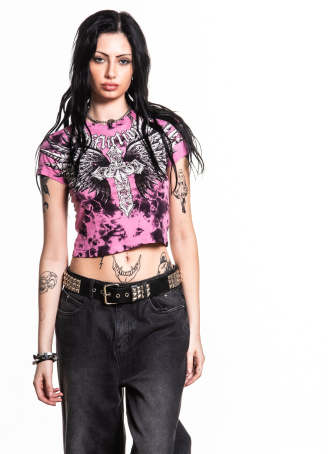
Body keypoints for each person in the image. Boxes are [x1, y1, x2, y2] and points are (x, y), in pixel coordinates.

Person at [32, 9, 205, 454]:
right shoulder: (60, 147)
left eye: (123, 60)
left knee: (157, 446)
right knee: (88, 447)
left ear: (136, 66)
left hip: (159, 313)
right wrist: (44, 351)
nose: (111, 72)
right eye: (100, 59)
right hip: (85, 316)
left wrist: (195, 330)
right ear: (84, 63)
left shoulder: (164, 136)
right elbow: (54, 252)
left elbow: (183, 234)